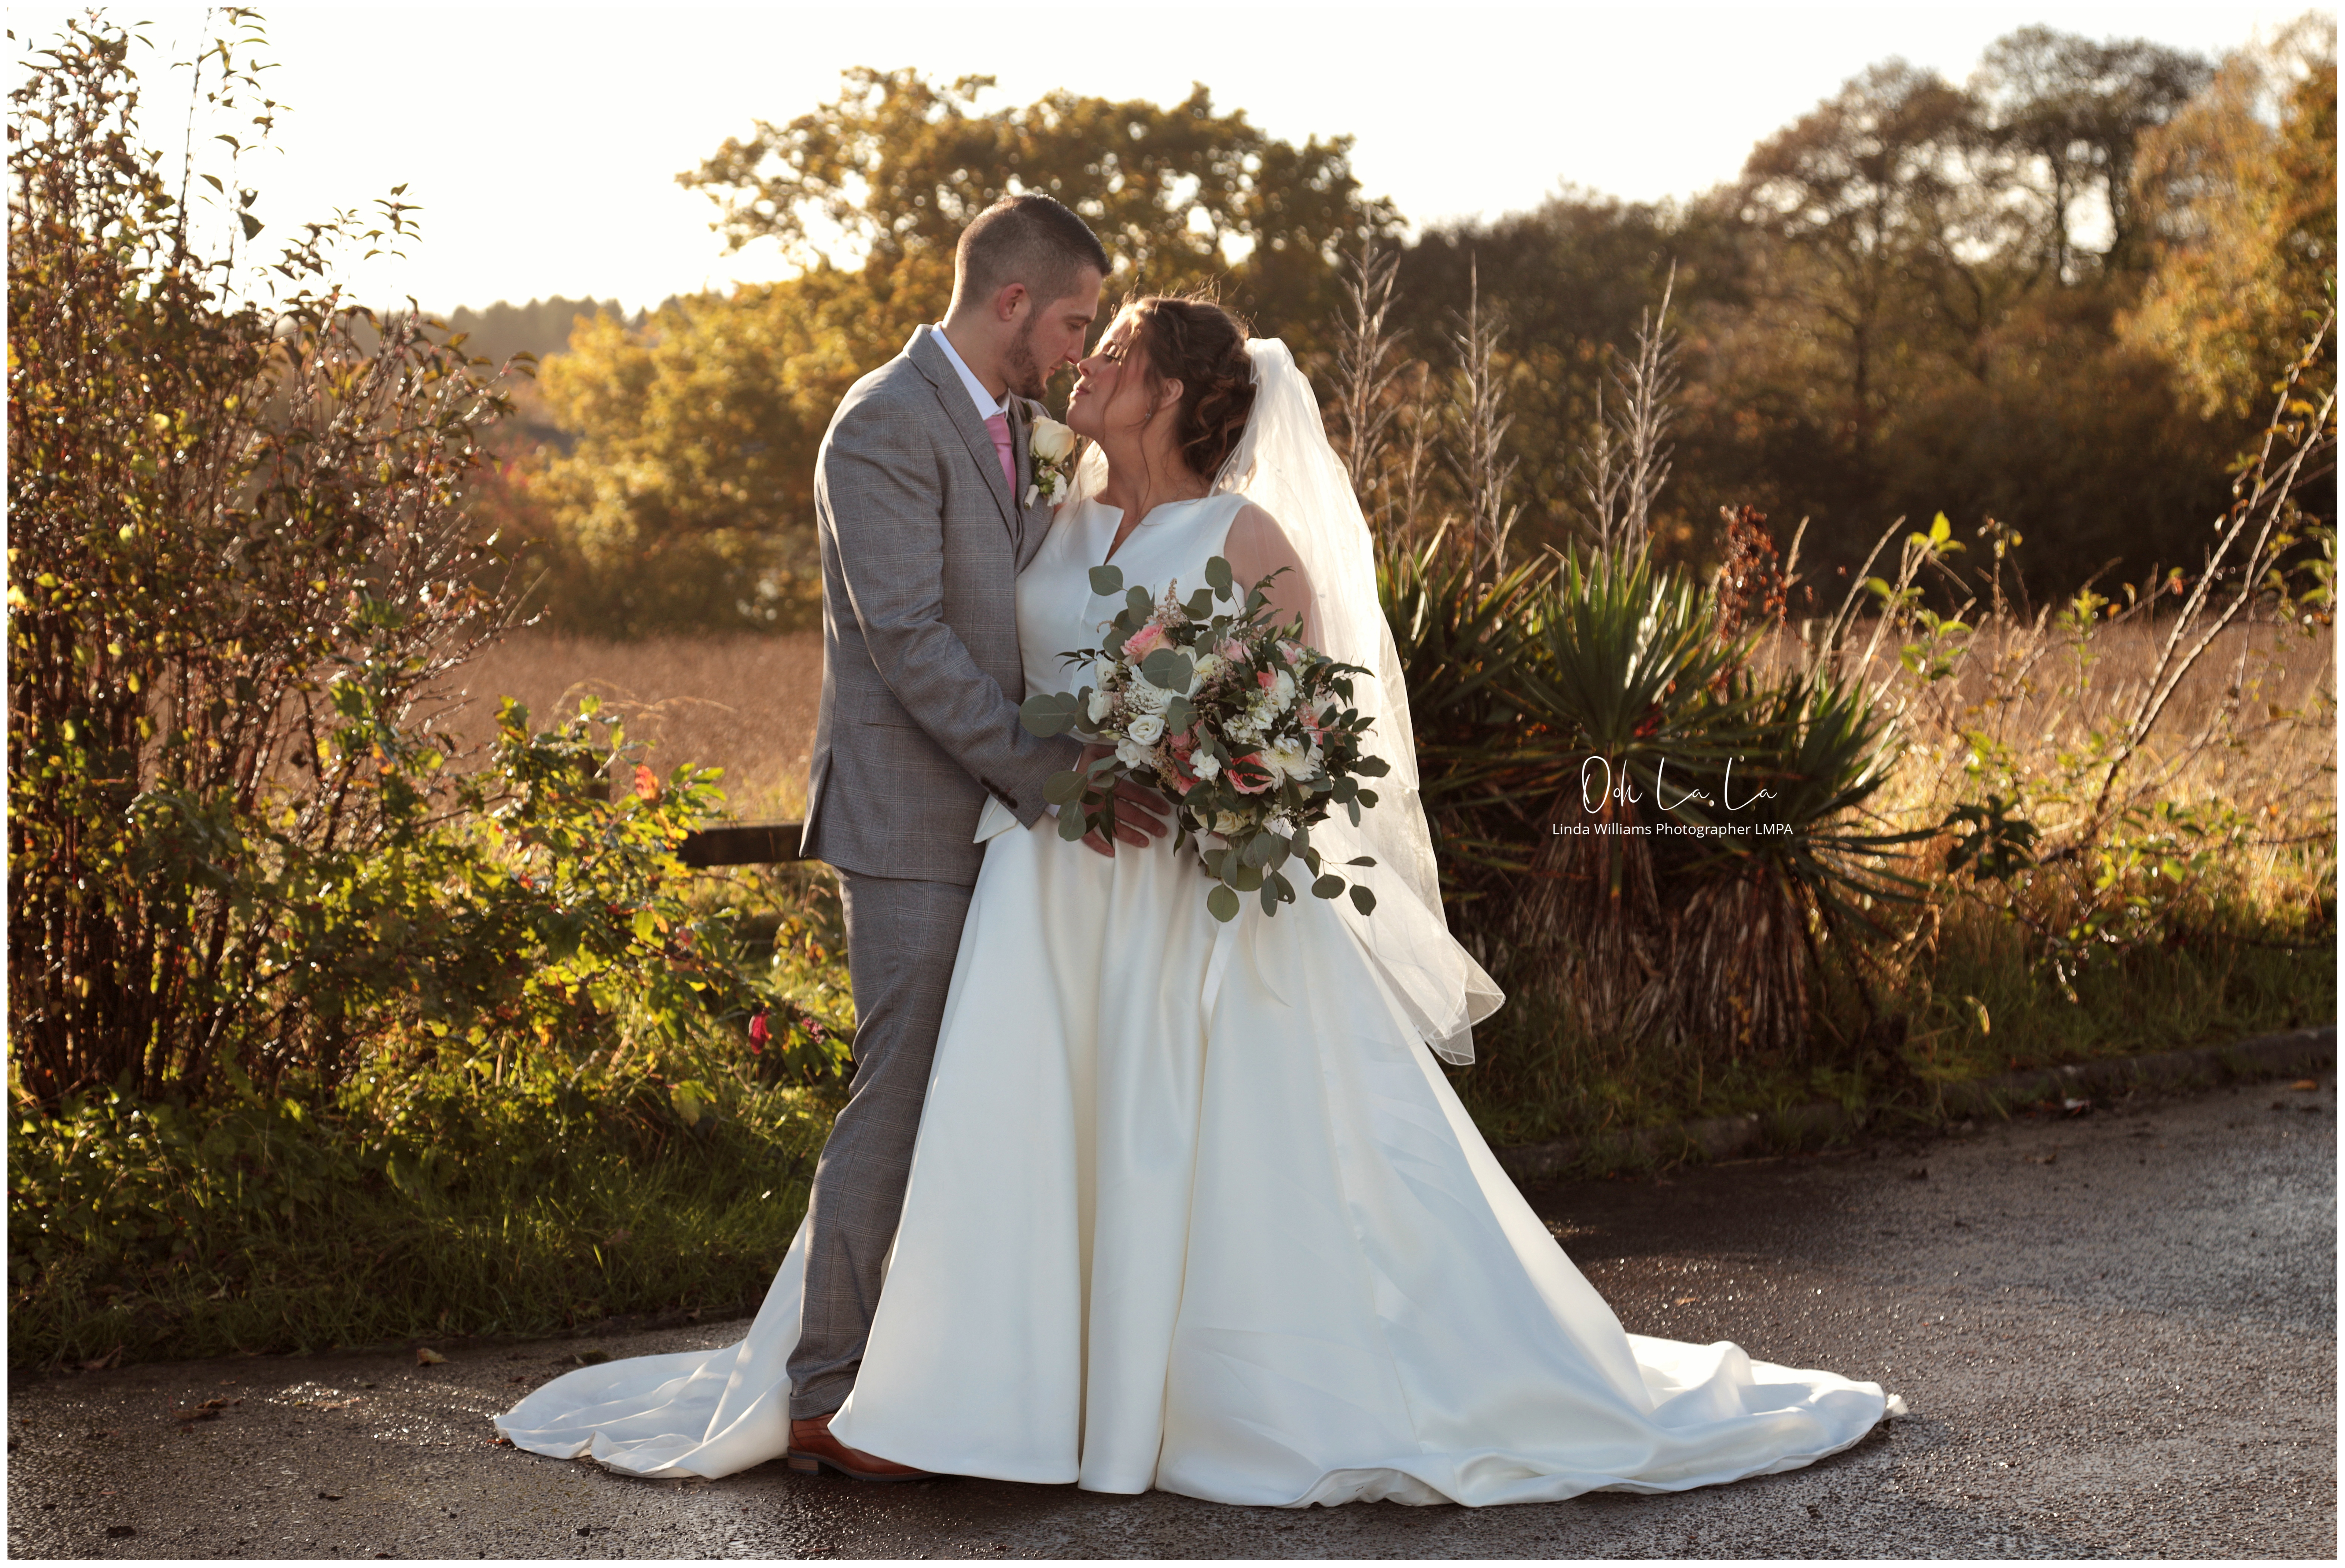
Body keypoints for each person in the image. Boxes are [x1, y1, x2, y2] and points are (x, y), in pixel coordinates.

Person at [497, 286, 1905, 1508]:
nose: (1085, 364)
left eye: (1112, 349)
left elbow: (1309, 728)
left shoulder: (1245, 538)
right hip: (1043, 878)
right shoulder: (1049, 520)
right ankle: (985, 1392)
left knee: (1179, 1139)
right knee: (1017, 1132)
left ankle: (1185, 1394)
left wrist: (1214, 763)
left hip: (1177, 888)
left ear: (1169, 391)